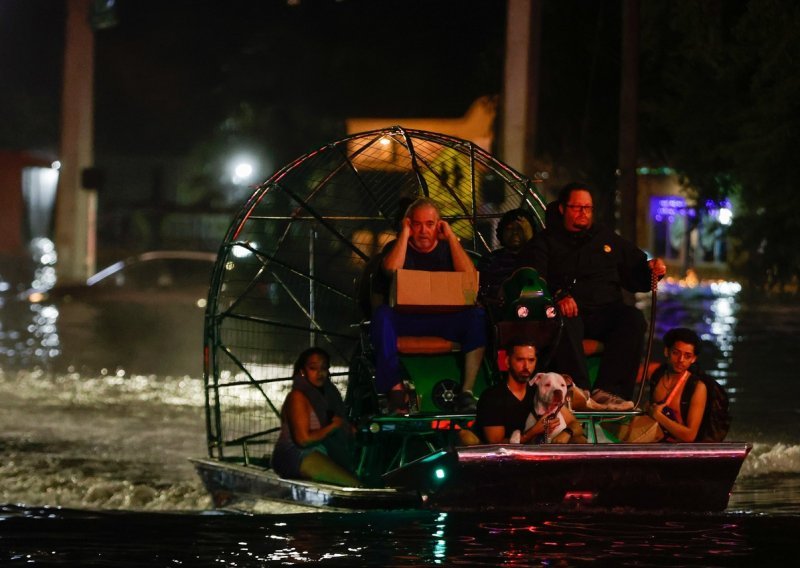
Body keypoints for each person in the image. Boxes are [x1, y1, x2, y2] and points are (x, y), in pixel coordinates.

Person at [516, 182, 667, 406]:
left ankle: (609, 391)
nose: (583, 213)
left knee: (633, 319)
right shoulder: (544, 242)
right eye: (577, 208)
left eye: (587, 208)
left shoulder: (605, 238)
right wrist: (558, 296)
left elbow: (635, 271)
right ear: (562, 209)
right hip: (568, 311)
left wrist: (652, 269)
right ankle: (578, 389)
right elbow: (533, 279)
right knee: (564, 319)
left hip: (604, 311)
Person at [371, 197, 487, 412]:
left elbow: (469, 278)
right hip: (408, 319)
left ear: (439, 225)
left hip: (444, 319)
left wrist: (451, 237)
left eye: (430, 224)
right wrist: (405, 235)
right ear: (408, 224)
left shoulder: (447, 248)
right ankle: (395, 389)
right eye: (417, 224)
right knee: (382, 316)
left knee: (477, 316)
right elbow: (390, 270)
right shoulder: (397, 248)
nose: (423, 231)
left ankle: (467, 392)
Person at [271, 347, 360, 486]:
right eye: (313, 368)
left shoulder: (328, 395)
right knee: (354, 485)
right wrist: (334, 427)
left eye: (324, 368)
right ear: (302, 371)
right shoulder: (298, 397)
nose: (319, 373)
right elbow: (303, 440)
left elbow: (338, 422)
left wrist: (347, 429)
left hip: (319, 451)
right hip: (297, 454)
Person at [467, 340, 569, 444]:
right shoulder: (492, 397)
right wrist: (533, 432)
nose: (526, 366)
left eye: (531, 360)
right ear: (507, 362)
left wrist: (567, 433)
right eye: (520, 360)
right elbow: (496, 445)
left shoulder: (540, 390)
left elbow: (573, 422)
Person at [647, 328, 708, 442]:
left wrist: (658, 416)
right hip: (656, 442)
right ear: (667, 351)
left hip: (680, 451)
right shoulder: (656, 375)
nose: (681, 360)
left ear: (693, 359)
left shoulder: (698, 388)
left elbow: (690, 436)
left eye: (687, 356)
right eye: (676, 353)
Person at [477, 207, 538, 308]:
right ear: (501, 232)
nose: (515, 233)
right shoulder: (490, 260)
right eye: (509, 229)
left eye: (520, 228)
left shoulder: (538, 257)